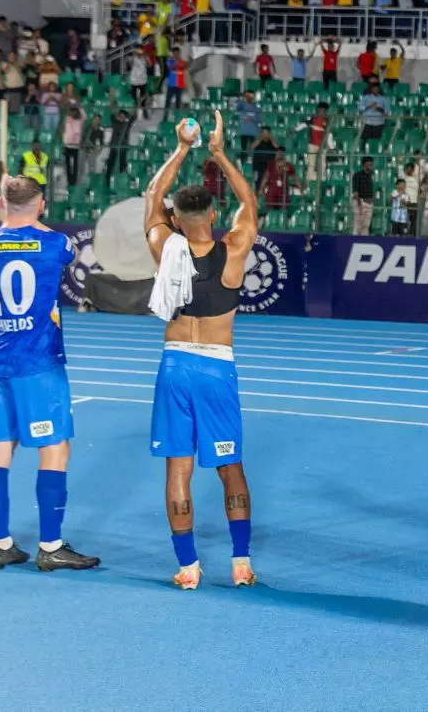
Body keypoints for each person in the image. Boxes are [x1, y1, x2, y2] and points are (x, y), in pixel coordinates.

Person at [143, 111, 259, 590]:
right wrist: (219, 154)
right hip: (216, 368)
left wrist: (181, 149)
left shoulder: (164, 244)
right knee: (230, 467)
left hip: (175, 365)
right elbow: (249, 203)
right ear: (213, 215)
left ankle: (188, 567)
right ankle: (241, 562)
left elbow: (153, 197)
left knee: (179, 469)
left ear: (176, 219)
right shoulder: (234, 249)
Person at [0, 175, 100, 572]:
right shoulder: (54, 243)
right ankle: (51, 545)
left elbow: (8, 232)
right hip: (38, 363)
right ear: (41, 203)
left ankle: (1, 543)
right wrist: (30, 215)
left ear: (0, 202)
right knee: (55, 449)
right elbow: (65, 252)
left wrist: (11, 211)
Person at [351, 156, 378, 236]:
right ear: (364, 164)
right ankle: (354, 240)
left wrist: (372, 199)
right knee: (358, 225)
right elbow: (355, 191)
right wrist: (359, 204)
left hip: (369, 204)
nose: (371, 164)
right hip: (360, 202)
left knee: (366, 226)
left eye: (371, 162)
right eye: (369, 162)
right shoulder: (357, 175)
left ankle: (364, 240)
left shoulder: (371, 175)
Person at [250, 127, 278, 195]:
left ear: (269, 133)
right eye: (263, 133)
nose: (265, 134)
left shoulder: (272, 142)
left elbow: (277, 147)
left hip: (269, 166)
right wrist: (260, 138)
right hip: (258, 166)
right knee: (258, 184)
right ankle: (258, 196)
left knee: (268, 184)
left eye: (266, 133)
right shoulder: (258, 141)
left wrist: (270, 138)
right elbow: (252, 147)